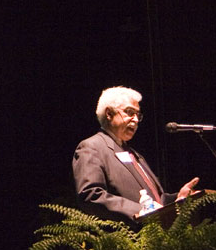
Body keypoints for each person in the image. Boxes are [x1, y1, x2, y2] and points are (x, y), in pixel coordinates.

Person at [72, 86, 199, 224]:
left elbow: (157, 200)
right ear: (109, 113)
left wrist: (177, 199)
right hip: (126, 240)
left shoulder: (134, 154)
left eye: (138, 115)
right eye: (129, 112)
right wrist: (140, 210)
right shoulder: (92, 147)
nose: (136, 120)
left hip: (154, 238)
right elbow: (91, 195)